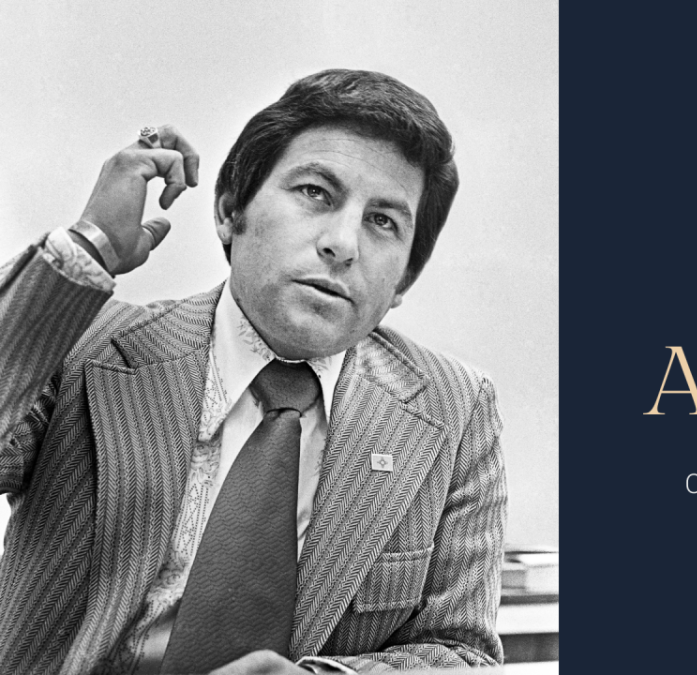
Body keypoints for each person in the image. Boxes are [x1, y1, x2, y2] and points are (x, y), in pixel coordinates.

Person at [0, 69, 507, 674]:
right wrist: (88, 247)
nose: (342, 243)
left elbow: (460, 651)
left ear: (404, 281)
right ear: (229, 212)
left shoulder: (455, 408)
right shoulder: (90, 348)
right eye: (316, 192)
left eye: (383, 221)